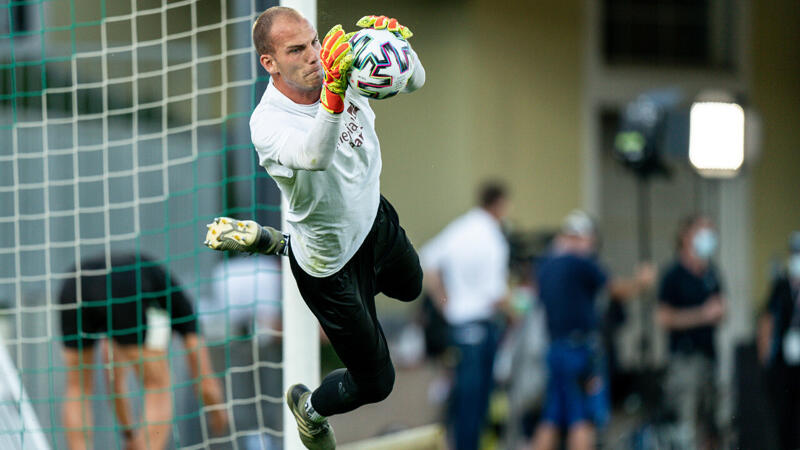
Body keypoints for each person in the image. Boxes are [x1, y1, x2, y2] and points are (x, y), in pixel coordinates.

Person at [204, 7, 426, 449]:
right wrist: (337, 94)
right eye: (296, 49)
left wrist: (401, 52)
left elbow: (415, 81)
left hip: (373, 220)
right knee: (377, 382)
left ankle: (275, 242)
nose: (313, 55)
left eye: (312, 41)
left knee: (411, 286)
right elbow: (314, 156)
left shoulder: (340, 66)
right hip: (329, 266)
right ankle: (310, 410)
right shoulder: (266, 121)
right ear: (270, 63)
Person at [59, 253, 227, 450]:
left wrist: (130, 433)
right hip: (125, 282)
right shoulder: (184, 312)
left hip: (75, 281)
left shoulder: (124, 326)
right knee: (158, 385)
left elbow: (113, 382)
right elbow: (205, 382)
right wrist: (218, 413)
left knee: (77, 387)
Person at [531, 210, 654, 450]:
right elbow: (616, 289)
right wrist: (642, 282)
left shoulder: (546, 265)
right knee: (583, 419)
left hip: (555, 349)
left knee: (552, 417)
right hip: (579, 352)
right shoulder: (581, 262)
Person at [420, 181, 510, 450]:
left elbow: (428, 261)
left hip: (458, 327)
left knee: (461, 404)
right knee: (477, 406)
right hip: (481, 327)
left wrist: (446, 302)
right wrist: (519, 311)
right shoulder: (493, 238)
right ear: (500, 204)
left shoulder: (460, 228)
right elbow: (496, 294)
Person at [656, 215, 726, 448]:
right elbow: (663, 317)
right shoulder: (673, 275)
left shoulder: (711, 273)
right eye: (703, 231)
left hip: (709, 355)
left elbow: (720, 308)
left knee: (711, 421)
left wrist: (718, 313)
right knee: (687, 421)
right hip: (684, 359)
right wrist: (701, 314)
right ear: (686, 236)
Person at [758, 230, 800, 449]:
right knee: (783, 419)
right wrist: (764, 357)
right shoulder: (781, 286)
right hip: (782, 364)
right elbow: (767, 320)